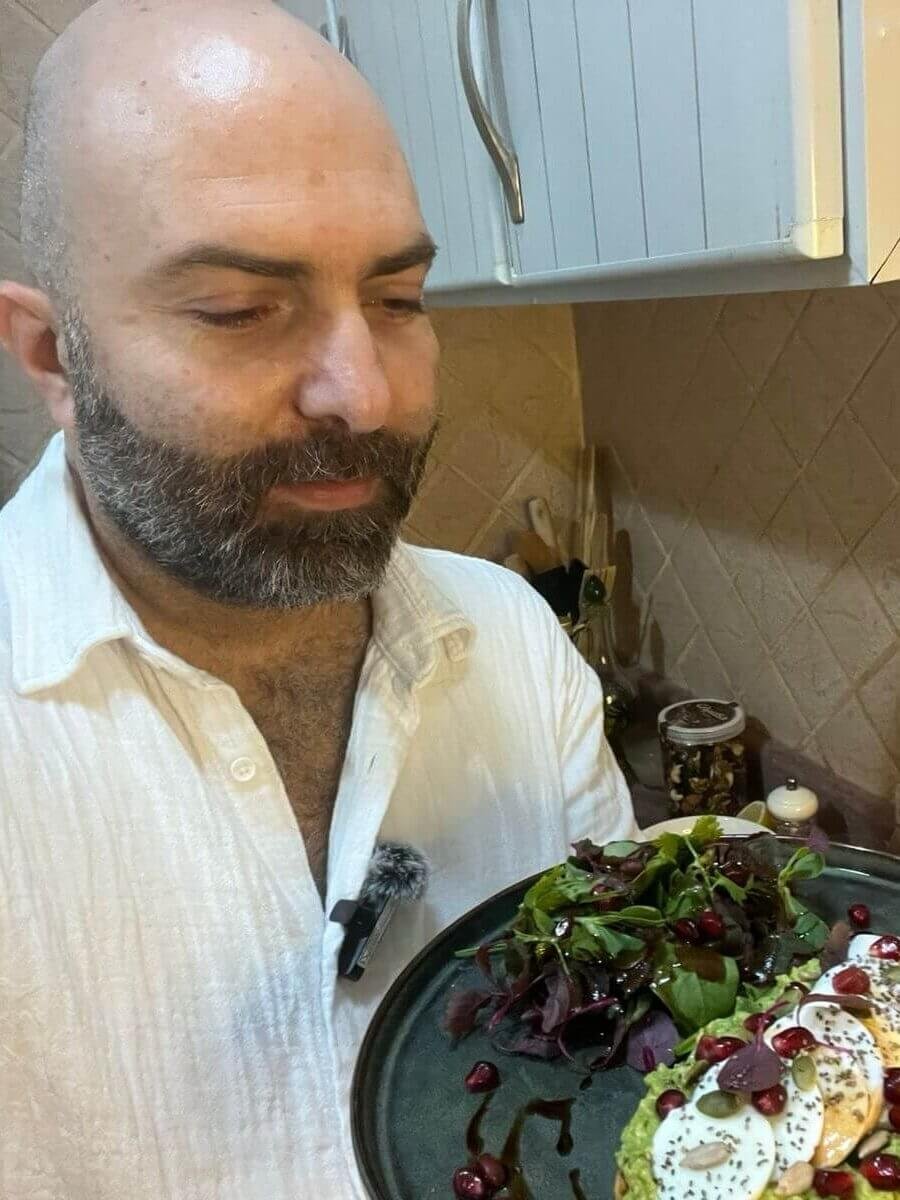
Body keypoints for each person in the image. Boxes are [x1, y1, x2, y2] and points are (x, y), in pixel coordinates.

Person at [0, 1, 635, 1196]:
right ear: (51, 357)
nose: (363, 391)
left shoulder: (511, 642)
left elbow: (612, 1075)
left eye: (398, 300)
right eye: (241, 310)